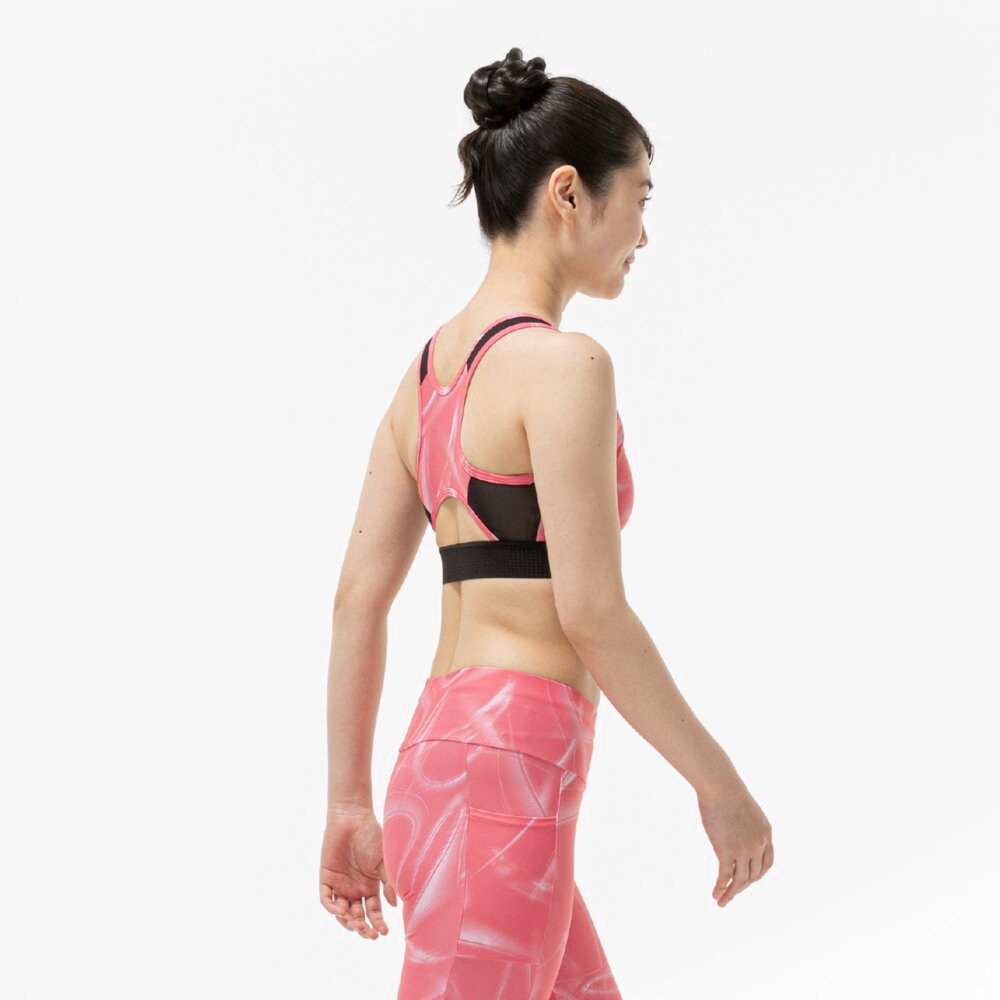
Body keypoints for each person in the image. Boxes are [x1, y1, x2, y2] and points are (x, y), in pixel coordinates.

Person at [319, 46, 774, 998]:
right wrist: (719, 785)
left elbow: (357, 601)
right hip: (506, 780)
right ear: (570, 193)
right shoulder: (566, 367)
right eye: (640, 198)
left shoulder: (424, 380)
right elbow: (592, 611)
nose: (644, 232)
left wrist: (350, 802)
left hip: (438, 766)